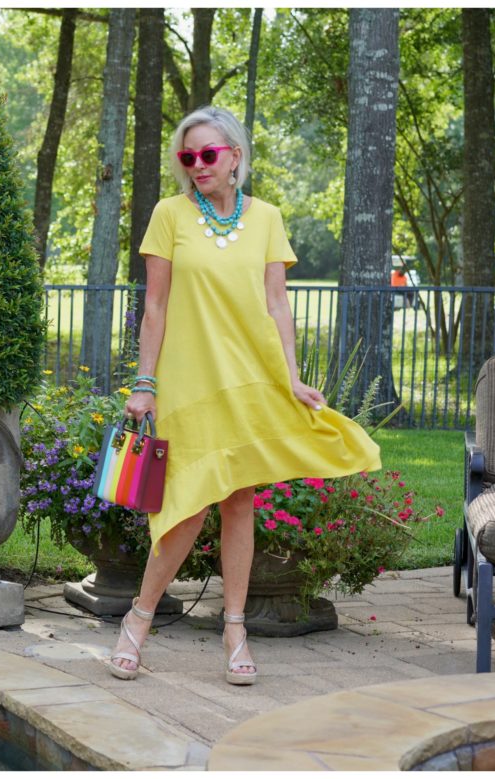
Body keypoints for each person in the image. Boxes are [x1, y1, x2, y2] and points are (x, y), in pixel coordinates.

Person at [108, 106, 381, 685]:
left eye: (208, 154)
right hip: (189, 381)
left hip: (249, 377)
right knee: (186, 505)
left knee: (238, 503)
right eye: (188, 156)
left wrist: (291, 376)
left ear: (234, 155)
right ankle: (138, 618)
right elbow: (154, 307)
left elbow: (277, 303)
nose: (198, 165)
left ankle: (235, 629)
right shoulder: (169, 215)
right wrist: (145, 382)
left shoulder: (266, 219)